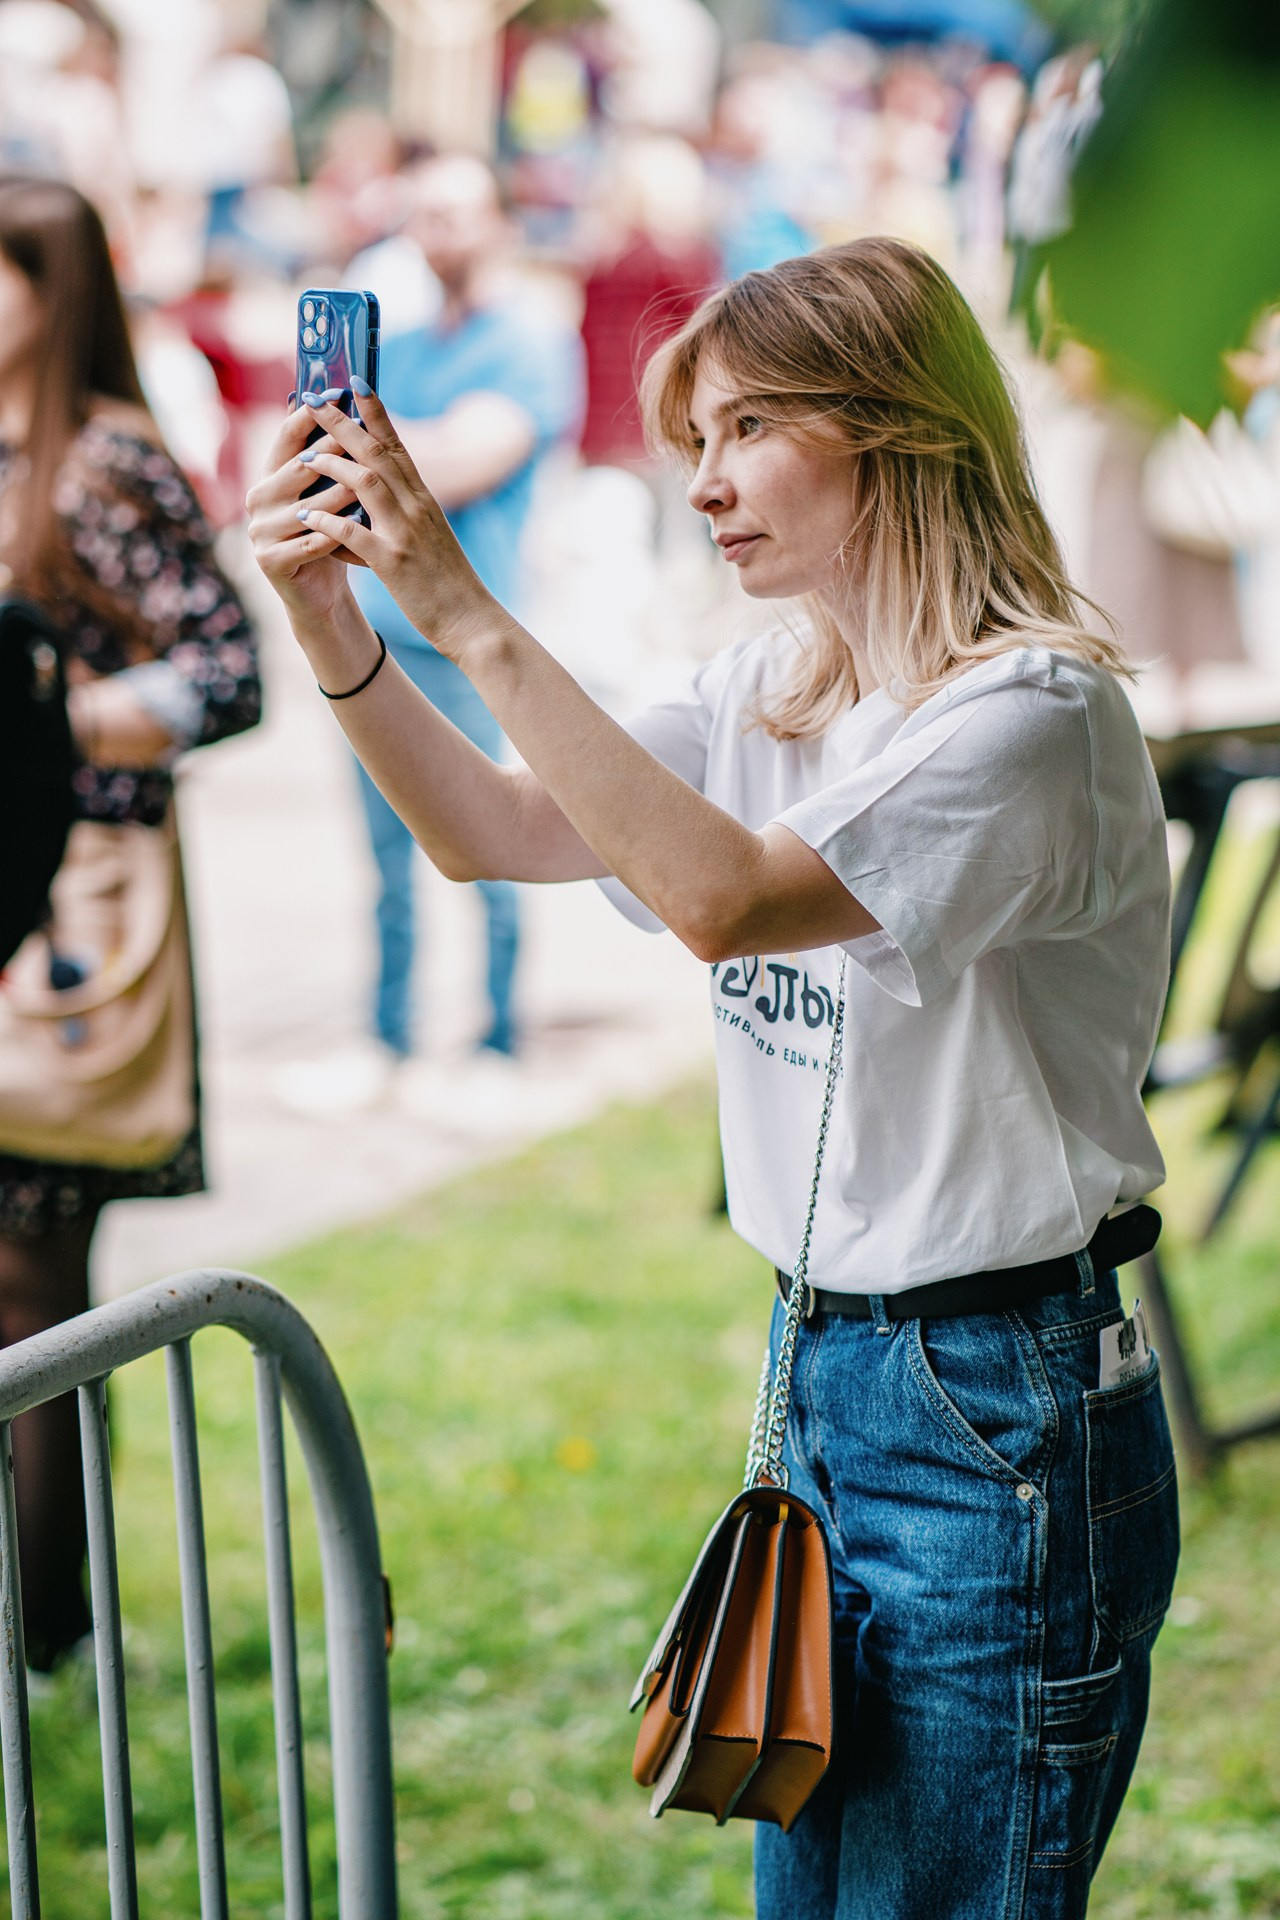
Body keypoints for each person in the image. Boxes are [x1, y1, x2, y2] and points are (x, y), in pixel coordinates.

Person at [248, 235, 1177, 1918]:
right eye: (694, 445)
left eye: (747, 430)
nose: (705, 488)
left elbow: (720, 897)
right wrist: (341, 628)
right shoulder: (775, 684)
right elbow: (491, 832)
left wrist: (462, 596)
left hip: (1001, 1404)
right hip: (832, 1370)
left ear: (895, 427)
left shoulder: (1028, 720)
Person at [0, 174, 261, 1672]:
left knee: (36, 1280)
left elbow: (232, 670)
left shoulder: (106, 463)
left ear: (53, 292)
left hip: (72, 910)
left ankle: (54, 1629)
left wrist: (47, 728)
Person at [320, 153, 582, 1099]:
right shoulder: (411, 347)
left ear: (501, 223)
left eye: (457, 213)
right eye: (420, 215)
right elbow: (347, 455)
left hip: (475, 641)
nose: (437, 233)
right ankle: (386, 1039)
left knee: (501, 844)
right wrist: (381, 440)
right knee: (385, 860)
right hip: (372, 634)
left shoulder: (531, 340)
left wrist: (366, 437)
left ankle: (497, 1042)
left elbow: (468, 460)